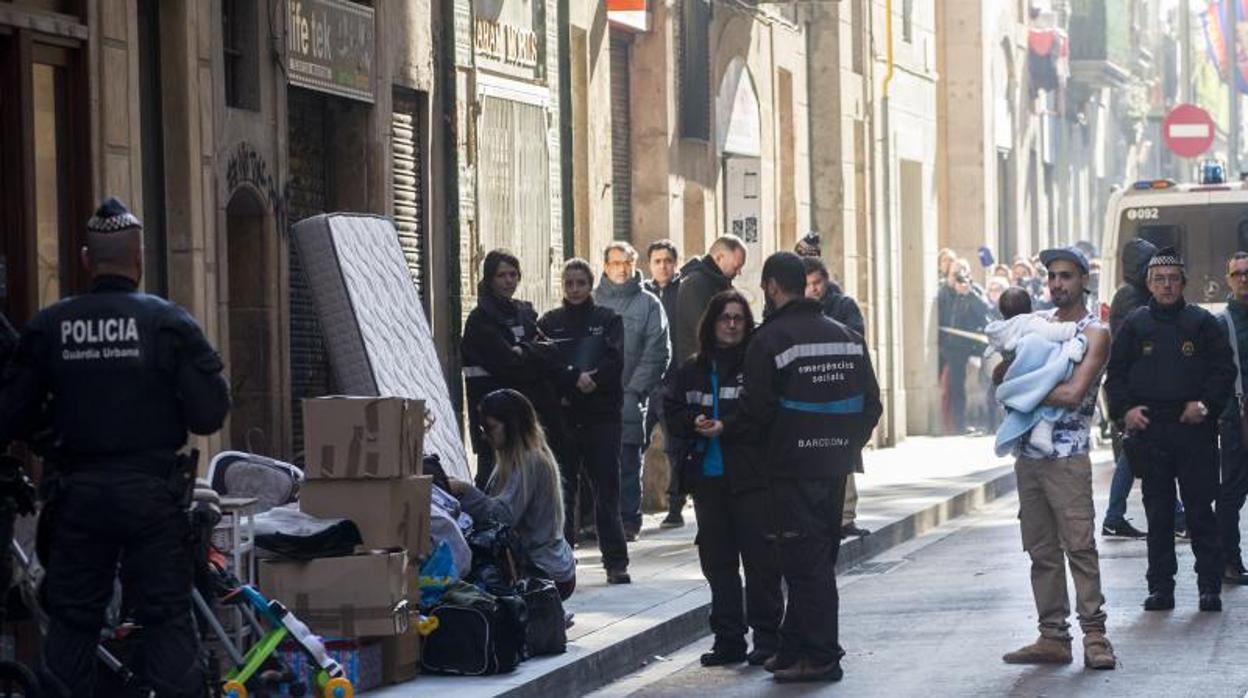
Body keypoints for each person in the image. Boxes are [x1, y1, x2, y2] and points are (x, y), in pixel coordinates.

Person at [0, 197, 231, 696]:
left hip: (76, 495)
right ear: (140, 258)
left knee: (73, 623)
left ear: (86, 259)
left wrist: (51, 429)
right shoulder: (168, 324)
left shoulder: (51, 326)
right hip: (153, 495)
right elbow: (210, 413)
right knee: (168, 617)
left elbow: (10, 415)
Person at [740, 252, 882, 683]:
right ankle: (792, 647)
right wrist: (842, 444)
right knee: (816, 556)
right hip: (834, 464)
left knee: (803, 562)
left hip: (790, 467)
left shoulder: (769, 340)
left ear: (771, 287)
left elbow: (755, 411)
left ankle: (821, 655)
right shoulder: (847, 336)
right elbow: (871, 405)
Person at [1000, 246, 1116, 671]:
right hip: (1027, 456)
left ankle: (1096, 636)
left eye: (1066, 276)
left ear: (1083, 280)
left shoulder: (1094, 331)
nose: (1056, 284)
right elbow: (1001, 374)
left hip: (1067, 457)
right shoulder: (1037, 325)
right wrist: (1014, 373)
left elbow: (1072, 393)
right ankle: (1053, 636)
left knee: (1079, 547)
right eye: (1051, 276)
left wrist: (1020, 389)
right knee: (1041, 551)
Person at [1106, 246, 1235, 612]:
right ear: (1149, 283)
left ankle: (1209, 586)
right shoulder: (1135, 325)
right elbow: (1115, 375)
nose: (1166, 286)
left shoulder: (1202, 324)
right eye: (1159, 280)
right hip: (1151, 432)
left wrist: (1206, 405)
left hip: (1194, 430)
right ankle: (1161, 588)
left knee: (1199, 512)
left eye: (1173, 279)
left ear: (1184, 283)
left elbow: (1223, 371)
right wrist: (1126, 411)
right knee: (1158, 515)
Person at [663, 290, 781, 667]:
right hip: (708, 482)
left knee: (760, 564)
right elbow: (673, 409)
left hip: (749, 479)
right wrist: (692, 423)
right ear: (711, 323)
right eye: (724, 318)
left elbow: (761, 414)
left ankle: (767, 639)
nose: (731, 324)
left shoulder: (757, 365)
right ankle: (728, 639)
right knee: (718, 564)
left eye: (738, 318)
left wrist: (724, 427)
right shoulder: (692, 368)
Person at [538, 259, 632, 584]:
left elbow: (615, 359)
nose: (575, 289)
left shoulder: (608, 319)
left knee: (607, 491)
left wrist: (592, 380)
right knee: (563, 492)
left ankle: (616, 562)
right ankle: (562, 563)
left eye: (580, 283)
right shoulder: (549, 323)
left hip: (602, 418)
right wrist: (573, 379)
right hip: (564, 420)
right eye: (569, 283)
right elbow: (546, 365)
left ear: (590, 284)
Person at [447, 389, 577, 599]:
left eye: (490, 428)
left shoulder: (530, 461)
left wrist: (464, 490)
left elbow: (502, 516)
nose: (484, 435)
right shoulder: (514, 461)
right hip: (542, 563)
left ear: (511, 426)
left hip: (542, 569)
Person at [461, 250, 566, 490]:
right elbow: (509, 365)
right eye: (501, 275)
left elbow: (553, 351)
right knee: (494, 483)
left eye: (513, 274)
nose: (509, 280)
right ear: (490, 279)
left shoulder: (524, 314)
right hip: (494, 420)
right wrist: (532, 356)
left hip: (526, 417)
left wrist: (525, 351)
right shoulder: (480, 321)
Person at [594, 242, 670, 541]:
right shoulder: (593, 301)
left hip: (628, 398)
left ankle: (628, 519)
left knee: (627, 461)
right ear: (605, 266)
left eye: (627, 262)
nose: (622, 269)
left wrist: (635, 390)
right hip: (595, 397)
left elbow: (658, 352)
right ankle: (595, 520)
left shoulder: (649, 304)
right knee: (596, 463)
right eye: (615, 263)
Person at [801, 256, 871, 539]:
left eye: (818, 282)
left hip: (841, 392)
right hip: (808, 393)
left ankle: (844, 517)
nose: (814, 289)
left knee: (844, 455)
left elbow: (856, 341)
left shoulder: (843, 306)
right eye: (808, 284)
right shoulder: (795, 311)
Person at [987, 287, 1088, 456]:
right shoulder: (1032, 323)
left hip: (1016, 377)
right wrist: (1072, 330)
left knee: (1019, 408)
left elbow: (997, 353)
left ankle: (1017, 436)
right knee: (1045, 402)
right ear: (1030, 307)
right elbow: (1054, 332)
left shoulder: (1003, 329)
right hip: (1036, 373)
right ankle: (1041, 433)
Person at [1101, 238, 1158, 539]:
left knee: (1135, 452)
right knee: (1143, 449)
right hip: (1135, 387)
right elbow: (1135, 341)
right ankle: (1175, 515)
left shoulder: (1133, 294)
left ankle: (1114, 516)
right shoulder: (1130, 296)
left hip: (1138, 384)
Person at [642, 240, 688, 529]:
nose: (663, 266)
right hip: (647, 380)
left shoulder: (684, 292)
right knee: (637, 442)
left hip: (675, 381)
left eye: (668, 261)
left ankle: (675, 505)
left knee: (676, 446)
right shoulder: (642, 294)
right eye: (657, 261)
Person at [1218, 252, 1248, 586]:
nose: (1244, 279)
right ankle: (1228, 561)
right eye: (1237, 274)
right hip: (1237, 419)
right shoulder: (1221, 323)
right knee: (1232, 494)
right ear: (1228, 279)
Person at [673, 235, 746, 364]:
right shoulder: (695, 284)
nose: (739, 272)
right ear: (719, 258)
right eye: (736, 267)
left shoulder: (720, 283)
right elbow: (704, 330)